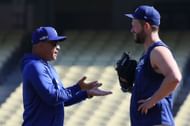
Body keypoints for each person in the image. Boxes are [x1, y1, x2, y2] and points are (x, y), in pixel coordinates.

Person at [21, 26, 112, 126]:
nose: (58, 47)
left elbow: (61, 100)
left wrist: (85, 93)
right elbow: (53, 97)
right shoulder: (34, 66)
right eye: (54, 43)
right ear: (40, 45)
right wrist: (77, 87)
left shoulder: (46, 67)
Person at [125, 5, 182, 126]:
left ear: (146, 26)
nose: (132, 30)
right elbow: (149, 87)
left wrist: (152, 101)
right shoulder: (147, 54)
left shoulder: (158, 51)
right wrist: (131, 87)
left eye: (134, 25)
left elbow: (175, 77)